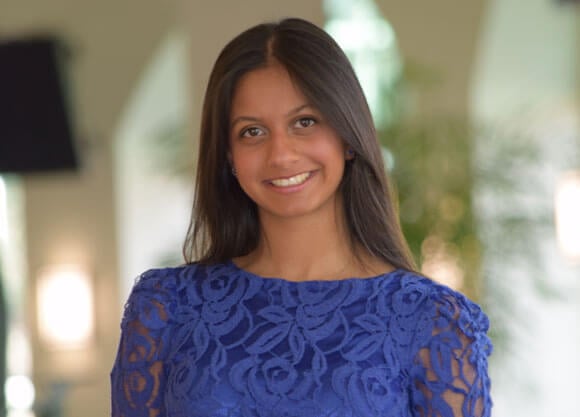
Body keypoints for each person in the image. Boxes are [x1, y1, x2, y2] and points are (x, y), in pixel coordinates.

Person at [110, 17, 492, 417]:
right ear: (228, 156)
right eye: (252, 132)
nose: (281, 154)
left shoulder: (434, 323)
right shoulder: (165, 309)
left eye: (304, 122)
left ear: (347, 136)